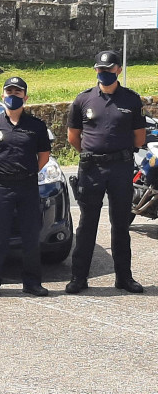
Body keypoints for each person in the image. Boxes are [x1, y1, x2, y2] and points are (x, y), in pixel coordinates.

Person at [65, 51, 146, 294]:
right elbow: (73, 137)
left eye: (108, 70)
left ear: (118, 70)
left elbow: (139, 138)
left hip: (121, 168)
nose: (104, 74)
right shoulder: (83, 100)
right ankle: (79, 278)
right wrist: (93, 154)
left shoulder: (131, 100)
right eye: (100, 70)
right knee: (87, 224)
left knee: (120, 224)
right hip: (92, 169)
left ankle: (124, 278)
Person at [0, 77, 51, 298]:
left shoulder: (36, 126)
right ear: (2, 95)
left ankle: (32, 283)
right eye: (9, 92)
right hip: (2, 187)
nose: (13, 96)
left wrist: (27, 173)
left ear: (25, 97)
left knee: (30, 236)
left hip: (28, 186)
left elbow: (44, 157)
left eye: (17, 93)